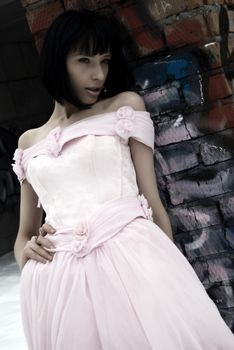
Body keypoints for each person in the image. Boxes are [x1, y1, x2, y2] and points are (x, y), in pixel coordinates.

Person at [12, 9, 234, 350]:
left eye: (104, 60)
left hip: (132, 261)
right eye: (84, 61)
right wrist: (27, 250)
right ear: (58, 62)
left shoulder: (124, 108)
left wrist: (167, 272)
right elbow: (24, 236)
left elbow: (153, 203)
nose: (98, 74)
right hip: (59, 284)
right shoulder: (29, 142)